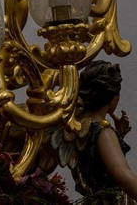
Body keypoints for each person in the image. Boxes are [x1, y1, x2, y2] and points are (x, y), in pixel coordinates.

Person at [59, 60, 137, 202]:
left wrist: (118, 136)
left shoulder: (78, 128)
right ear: (114, 98)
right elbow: (123, 176)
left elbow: (96, 163)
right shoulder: (103, 132)